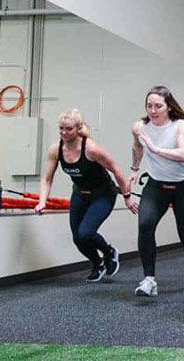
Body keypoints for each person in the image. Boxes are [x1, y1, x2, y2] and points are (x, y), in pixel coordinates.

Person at [35, 109, 139, 282]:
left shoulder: (91, 149)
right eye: (61, 128)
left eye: (68, 129)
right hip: (80, 195)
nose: (63, 133)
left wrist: (127, 197)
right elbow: (46, 178)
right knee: (78, 238)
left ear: (78, 128)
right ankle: (98, 264)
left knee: (85, 233)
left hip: (103, 195)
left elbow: (117, 171)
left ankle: (109, 252)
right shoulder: (56, 149)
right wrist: (42, 201)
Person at [131, 86, 184, 297]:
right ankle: (149, 279)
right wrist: (134, 169)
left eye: (158, 106)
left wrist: (156, 149)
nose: (153, 110)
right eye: (149, 106)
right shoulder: (140, 127)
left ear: (168, 107)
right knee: (145, 225)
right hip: (156, 186)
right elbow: (137, 146)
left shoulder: (181, 125)